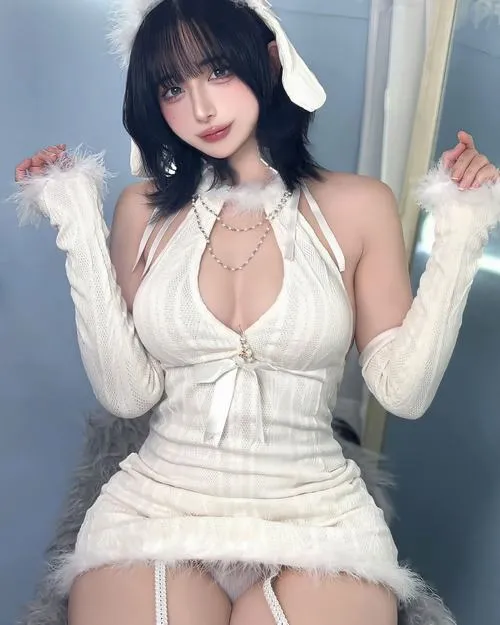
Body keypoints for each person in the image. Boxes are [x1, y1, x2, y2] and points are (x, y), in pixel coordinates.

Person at [12, 0, 500, 624]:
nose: (201, 109)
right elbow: (127, 394)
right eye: (172, 87)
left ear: (270, 61)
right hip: (156, 507)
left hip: (318, 516)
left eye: (218, 71)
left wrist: (462, 227)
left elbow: (403, 392)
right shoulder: (142, 212)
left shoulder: (359, 205)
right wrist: (76, 221)